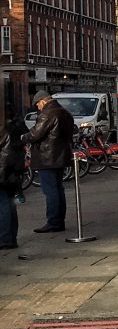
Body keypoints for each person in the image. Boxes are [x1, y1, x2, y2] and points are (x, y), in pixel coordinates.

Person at [22, 91, 74, 233]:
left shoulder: (47, 114)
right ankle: (59, 221)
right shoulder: (65, 113)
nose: (37, 108)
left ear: (43, 101)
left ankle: (53, 222)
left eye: (37, 104)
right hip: (61, 156)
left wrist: (22, 138)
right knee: (58, 189)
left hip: (47, 158)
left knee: (50, 190)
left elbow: (35, 134)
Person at [0, 114, 26, 248]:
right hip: (13, 171)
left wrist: (2, 175)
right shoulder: (15, 124)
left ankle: (5, 239)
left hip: (5, 173)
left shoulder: (4, 130)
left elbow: (5, 155)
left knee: (4, 205)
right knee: (9, 204)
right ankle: (10, 238)